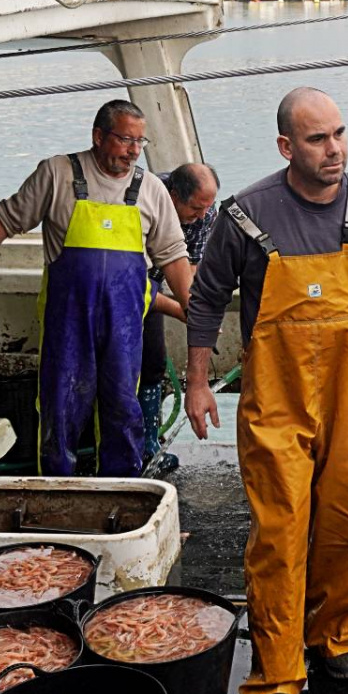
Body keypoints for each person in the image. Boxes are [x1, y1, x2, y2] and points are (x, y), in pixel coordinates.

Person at [186, 87, 348, 694]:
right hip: (276, 402)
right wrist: (198, 382)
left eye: (339, 133)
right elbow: (204, 299)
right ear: (286, 146)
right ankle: (278, 665)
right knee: (279, 534)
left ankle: (339, 639)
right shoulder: (244, 213)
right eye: (316, 139)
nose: (334, 149)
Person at [0, 100, 192, 478]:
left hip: (125, 324)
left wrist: (193, 306)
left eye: (139, 142)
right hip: (68, 320)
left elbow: (173, 254)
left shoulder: (150, 189)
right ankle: (56, 485)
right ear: (98, 136)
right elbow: (7, 220)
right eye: (125, 140)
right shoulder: (58, 173)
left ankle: (123, 485)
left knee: (121, 405)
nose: (133, 151)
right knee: (61, 404)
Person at [138, 162, 220, 468]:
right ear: (172, 196)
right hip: (120, 285)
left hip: (159, 277)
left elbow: (193, 267)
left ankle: (149, 445)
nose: (201, 216)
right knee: (123, 367)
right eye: (195, 209)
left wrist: (198, 313)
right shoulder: (140, 200)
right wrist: (182, 311)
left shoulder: (205, 213)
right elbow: (135, 288)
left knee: (153, 362)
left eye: (206, 208)